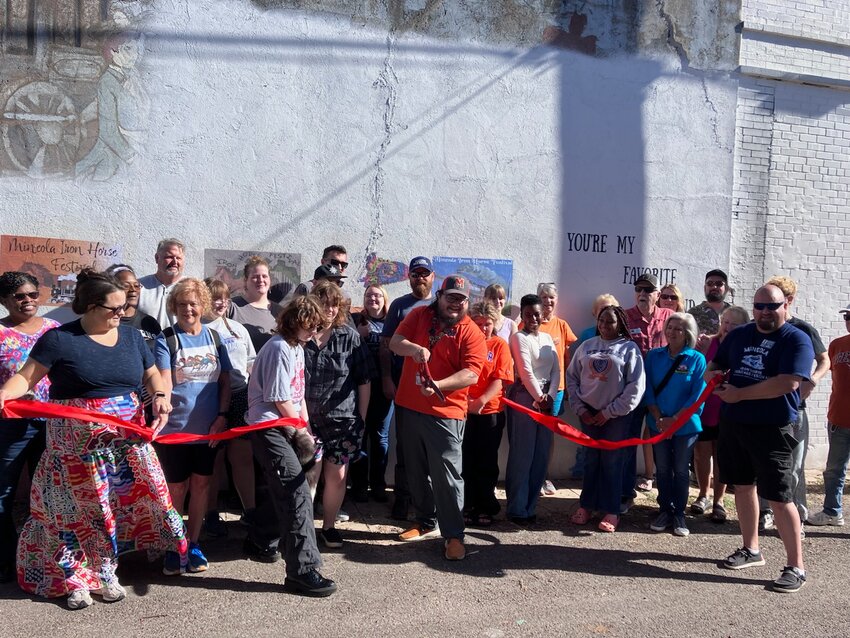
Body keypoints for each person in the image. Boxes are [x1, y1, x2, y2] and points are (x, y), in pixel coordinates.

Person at [0, 269, 185, 609]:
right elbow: (25, 379)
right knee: (70, 515)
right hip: (73, 452)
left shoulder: (131, 337)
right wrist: (3, 396)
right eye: (114, 308)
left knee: (109, 510)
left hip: (123, 446)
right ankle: (73, 579)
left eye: (124, 307)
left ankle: (104, 571)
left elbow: (151, 374)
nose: (122, 313)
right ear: (89, 306)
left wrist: (160, 394)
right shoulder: (59, 339)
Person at [709, 284, 814, 593]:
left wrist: (739, 394)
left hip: (773, 427)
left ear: (786, 305)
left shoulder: (796, 339)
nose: (765, 312)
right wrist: (712, 376)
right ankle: (751, 549)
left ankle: (796, 566)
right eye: (759, 306)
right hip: (735, 424)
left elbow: (787, 383)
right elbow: (718, 362)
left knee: (781, 498)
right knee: (742, 488)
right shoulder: (740, 334)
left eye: (772, 306)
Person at [245, 295, 337, 597]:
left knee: (286, 488)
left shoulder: (296, 349)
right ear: (298, 321)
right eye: (311, 327)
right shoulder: (277, 348)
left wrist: (307, 429)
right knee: (296, 489)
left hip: (289, 425)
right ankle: (302, 570)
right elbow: (280, 399)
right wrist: (299, 429)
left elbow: (298, 396)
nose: (313, 334)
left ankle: (260, 538)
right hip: (270, 427)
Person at [390, 275, 486, 561]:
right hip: (409, 406)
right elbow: (396, 342)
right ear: (440, 295)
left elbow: (471, 373)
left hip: (445, 413)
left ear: (468, 303)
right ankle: (425, 521)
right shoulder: (419, 315)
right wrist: (415, 349)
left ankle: (454, 535)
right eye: (450, 297)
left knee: (447, 476)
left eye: (461, 299)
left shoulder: (471, 332)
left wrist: (439, 386)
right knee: (414, 470)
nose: (455, 303)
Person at [154, 278, 232, 574]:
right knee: (176, 489)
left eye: (194, 303)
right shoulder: (167, 338)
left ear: (203, 306)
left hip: (208, 429)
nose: (189, 309)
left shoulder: (214, 338)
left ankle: (194, 542)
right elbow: (163, 376)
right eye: (183, 304)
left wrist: (222, 415)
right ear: (175, 307)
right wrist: (161, 400)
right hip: (174, 431)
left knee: (201, 486)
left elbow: (226, 380)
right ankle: (175, 546)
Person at [303, 281, 373, 548]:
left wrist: (362, 418)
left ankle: (329, 526)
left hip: (343, 420)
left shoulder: (350, 336)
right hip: (306, 420)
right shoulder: (303, 335)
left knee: (337, 475)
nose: (330, 309)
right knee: (309, 476)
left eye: (334, 304)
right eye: (324, 303)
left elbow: (365, 379)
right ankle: (304, 526)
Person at [0, 272, 60, 583]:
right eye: (20, 296)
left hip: (51, 423)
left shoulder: (54, 331)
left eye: (32, 295)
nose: (28, 301)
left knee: (49, 493)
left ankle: (46, 557)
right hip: (10, 425)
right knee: (3, 492)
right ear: (4, 301)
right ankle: (5, 559)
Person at [757, 275, 829, 528]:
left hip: (795, 408)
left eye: (778, 301)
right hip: (764, 405)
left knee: (795, 465)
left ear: (788, 301)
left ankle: (795, 515)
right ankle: (766, 511)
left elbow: (824, 360)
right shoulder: (760, 328)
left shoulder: (803, 329)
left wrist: (812, 381)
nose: (769, 309)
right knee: (765, 462)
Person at [567, 305, 645, 533]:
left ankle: (612, 510)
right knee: (591, 460)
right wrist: (580, 408)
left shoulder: (629, 349)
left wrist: (609, 412)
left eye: (610, 322)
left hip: (616, 416)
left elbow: (635, 387)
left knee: (612, 462)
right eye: (601, 321)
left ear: (620, 323)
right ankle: (587, 505)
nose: (604, 326)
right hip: (588, 414)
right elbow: (572, 377)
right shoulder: (587, 346)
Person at [381, 256, 435, 520]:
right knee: (405, 447)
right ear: (409, 277)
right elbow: (386, 343)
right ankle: (402, 498)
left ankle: (424, 500)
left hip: (434, 390)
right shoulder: (400, 306)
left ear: (432, 277)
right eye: (415, 274)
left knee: (430, 449)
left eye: (425, 273)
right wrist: (387, 378)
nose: (420, 278)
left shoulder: (441, 306)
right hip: (404, 388)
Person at [203, 279, 258, 535]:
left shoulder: (238, 328)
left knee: (242, 458)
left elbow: (251, 361)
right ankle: (210, 513)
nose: (221, 302)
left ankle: (251, 511)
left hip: (240, 396)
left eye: (224, 297)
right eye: (215, 297)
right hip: (210, 400)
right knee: (213, 460)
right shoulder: (198, 329)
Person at [645, 313, 706, 537]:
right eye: (669, 327)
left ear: (687, 333)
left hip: (685, 426)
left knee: (680, 470)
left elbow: (697, 396)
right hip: (657, 422)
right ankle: (664, 510)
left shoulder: (697, 359)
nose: (672, 332)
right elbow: (648, 388)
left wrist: (675, 420)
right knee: (662, 469)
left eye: (678, 329)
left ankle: (679, 513)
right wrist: (659, 418)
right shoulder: (653, 356)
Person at [505, 294, 560, 525]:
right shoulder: (519, 337)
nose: (533, 318)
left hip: (547, 398)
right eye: (528, 314)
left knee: (540, 455)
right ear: (523, 316)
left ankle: (530, 505)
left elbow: (557, 369)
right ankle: (517, 508)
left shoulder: (548, 337)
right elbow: (525, 370)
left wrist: (551, 396)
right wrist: (539, 398)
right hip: (526, 399)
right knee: (523, 454)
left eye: (537, 314)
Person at [691, 306, 749, 523]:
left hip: (729, 407)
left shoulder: (746, 346)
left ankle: (719, 500)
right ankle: (702, 495)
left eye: (735, 324)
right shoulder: (708, 342)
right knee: (701, 453)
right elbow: (697, 369)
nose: (729, 327)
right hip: (706, 406)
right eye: (726, 322)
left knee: (722, 455)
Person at [463, 301, 514, 526]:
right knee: (465, 459)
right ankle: (466, 504)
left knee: (486, 460)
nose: (484, 328)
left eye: (488, 323)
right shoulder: (464, 343)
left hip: (490, 411)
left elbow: (500, 379)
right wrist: (467, 402)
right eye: (479, 323)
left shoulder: (499, 345)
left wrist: (481, 401)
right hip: (463, 409)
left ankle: (485, 505)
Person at [624, 273, 673, 505]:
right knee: (628, 440)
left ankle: (667, 500)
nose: (642, 294)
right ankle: (624, 493)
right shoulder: (625, 317)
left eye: (648, 290)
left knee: (662, 443)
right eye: (639, 290)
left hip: (663, 392)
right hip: (632, 389)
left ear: (657, 294)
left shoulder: (670, 317)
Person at [531, 282, 578, 496]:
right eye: (543, 297)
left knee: (547, 434)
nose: (547, 301)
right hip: (534, 388)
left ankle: (544, 476)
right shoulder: (531, 323)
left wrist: (568, 387)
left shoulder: (562, 325)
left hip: (555, 389)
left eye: (551, 298)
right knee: (532, 432)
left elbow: (567, 358)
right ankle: (531, 474)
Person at [807, 304, 850, 527]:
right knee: (834, 470)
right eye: (847, 317)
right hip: (839, 419)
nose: (849, 320)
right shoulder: (837, 345)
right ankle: (832, 511)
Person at [350, 284, 394, 503]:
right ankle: (359, 485)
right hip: (359, 387)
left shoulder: (392, 323)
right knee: (360, 434)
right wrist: (359, 335)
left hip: (384, 387)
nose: (373, 299)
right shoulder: (355, 320)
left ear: (385, 299)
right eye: (369, 295)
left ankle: (378, 484)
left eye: (377, 295)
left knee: (380, 437)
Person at [569, 293, 619, 481]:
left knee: (611, 455)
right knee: (590, 452)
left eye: (610, 313)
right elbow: (576, 371)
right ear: (594, 314)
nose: (605, 321)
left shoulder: (625, 343)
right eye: (601, 313)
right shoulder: (587, 337)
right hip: (588, 405)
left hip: (614, 409)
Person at [228, 255, 284, 351]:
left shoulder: (280, 312)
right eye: (255, 277)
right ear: (246, 281)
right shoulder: (232, 307)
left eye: (264, 276)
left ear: (270, 280)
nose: (261, 280)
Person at [106, 264, 162, 347]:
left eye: (136, 285)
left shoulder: (149, 322)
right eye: (126, 286)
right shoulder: (108, 322)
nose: (133, 290)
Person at [137, 238, 185, 330]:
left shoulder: (192, 287)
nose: (175, 262)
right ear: (157, 258)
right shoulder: (139, 286)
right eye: (169, 257)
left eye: (178, 258)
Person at [689, 269, 733, 351]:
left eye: (719, 284)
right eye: (710, 284)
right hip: (702, 361)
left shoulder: (735, 314)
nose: (714, 287)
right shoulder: (692, 314)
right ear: (705, 288)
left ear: (726, 288)